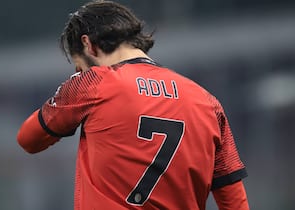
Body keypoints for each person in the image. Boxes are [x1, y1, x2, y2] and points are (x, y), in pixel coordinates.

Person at [17, 1, 249, 209]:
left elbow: (28, 138)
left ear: (88, 45)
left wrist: (70, 103)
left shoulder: (93, 83)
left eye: (79, 67)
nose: (79, 73)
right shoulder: (208, 102)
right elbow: (234, 201)